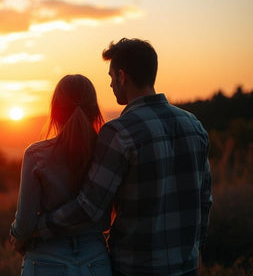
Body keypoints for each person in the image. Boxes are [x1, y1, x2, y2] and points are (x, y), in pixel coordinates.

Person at [36, 38, 212, 276]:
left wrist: (38, 227)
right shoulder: (194, 126)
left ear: (122, 76)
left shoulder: (119, 133)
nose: (110, 85)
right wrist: (195, 251)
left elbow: (89, 207)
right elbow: (204, 201)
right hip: (186, 267)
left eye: (110, 77)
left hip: (136, 269)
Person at [10, 74, 112, 276]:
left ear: (55, 112)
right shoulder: (110, 152)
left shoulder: (36, 155)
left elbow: (25, 224)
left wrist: (17, 236)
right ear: (94, 111)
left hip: (46, 258)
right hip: (96, 259)